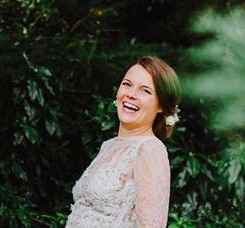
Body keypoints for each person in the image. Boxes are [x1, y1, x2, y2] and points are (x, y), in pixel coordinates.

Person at [65, 56, 180, 228]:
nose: (131, 94)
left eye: (145, 90)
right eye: (127, 84)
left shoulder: (150, 149)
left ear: (160, 105)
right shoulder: (109, 146)